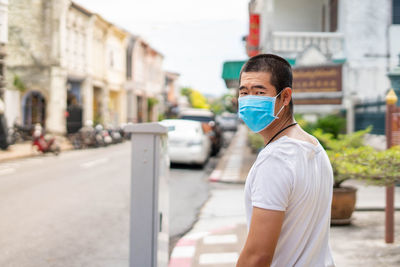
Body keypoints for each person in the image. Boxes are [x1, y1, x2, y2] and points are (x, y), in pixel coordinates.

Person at [236, 54, 335, 267]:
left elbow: (257, 256)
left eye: (259, 92)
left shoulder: (276, 159)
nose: (249, 100)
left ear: (285, 96)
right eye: (244, 92)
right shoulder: (315, 147)